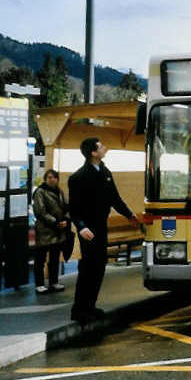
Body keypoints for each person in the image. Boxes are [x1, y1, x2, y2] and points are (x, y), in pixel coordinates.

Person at [68, 137, 139, 324]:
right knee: (88, 268)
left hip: (101, 226)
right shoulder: (78, 177)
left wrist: (129, 215)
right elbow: (73, 209)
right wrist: (81, 227)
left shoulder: (105, 172)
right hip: (88, 229)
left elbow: (115, 198)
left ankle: (90, 306)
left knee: (99, 267)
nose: (105, 147)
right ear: (93, 152)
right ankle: (79, 309)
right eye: (101, 146)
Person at [32, 169, 71, 293]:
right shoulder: (40, 192)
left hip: (58, 231)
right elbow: (40, 211)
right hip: (44, 230)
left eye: (54, 177)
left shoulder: (60, 191)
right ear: (45, 179)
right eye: (49, 177)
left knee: (54, 259)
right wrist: (55, 222)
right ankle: (39, 284)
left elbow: (67, 207)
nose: (52, 179)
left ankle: (54, 282)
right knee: (40, 259)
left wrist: (66, 220)